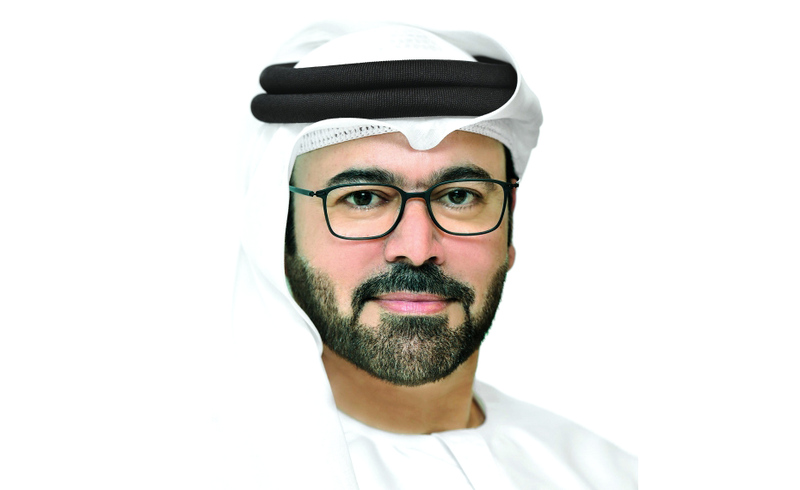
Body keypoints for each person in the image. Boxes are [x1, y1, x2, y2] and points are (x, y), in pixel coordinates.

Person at [232, 21, 638, 489]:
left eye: (460, 196)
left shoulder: (614, 475)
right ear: (278, 231)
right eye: (363, 198)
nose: (417, 249)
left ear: (509, 223)